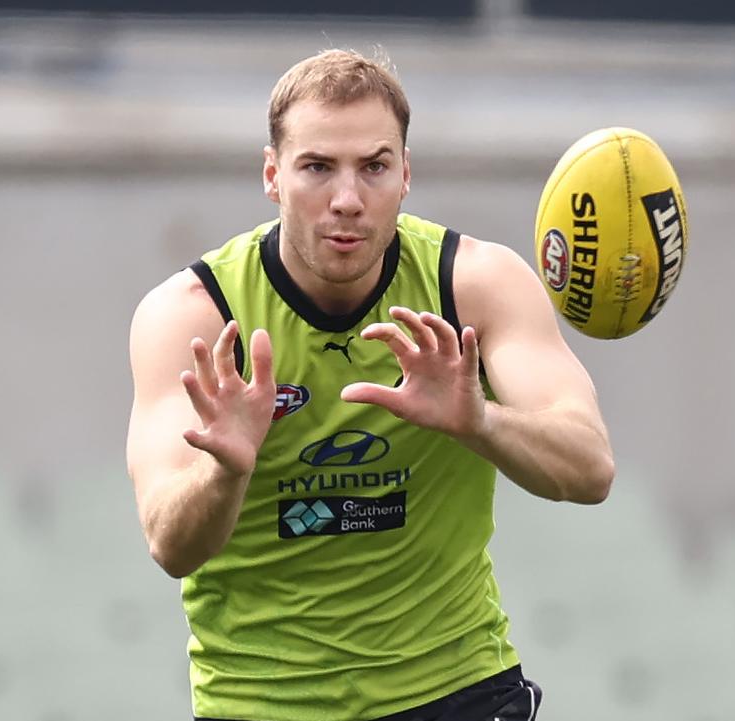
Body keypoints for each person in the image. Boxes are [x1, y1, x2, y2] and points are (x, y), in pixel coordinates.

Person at [126, 48, 615, 721]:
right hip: (263, 702)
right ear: (272, 175)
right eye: (317, 167)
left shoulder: (471, 286)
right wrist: (225, 468)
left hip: (456, 689)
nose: (348, 199)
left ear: (406, 173)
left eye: (374, 167)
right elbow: (169, 543)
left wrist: (481, 422)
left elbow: (590, 468)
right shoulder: (195, 314)